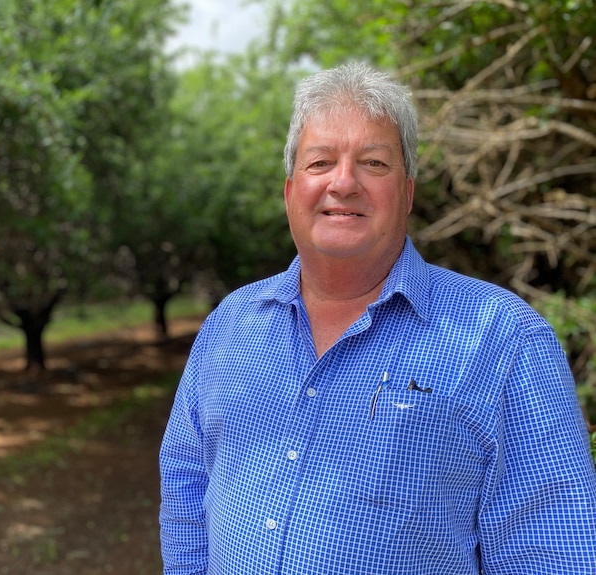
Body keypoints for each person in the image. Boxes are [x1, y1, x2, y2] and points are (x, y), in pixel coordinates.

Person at [158, 61, 596, 575]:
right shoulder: (228, 327)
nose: (343, 183)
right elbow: (186, 488)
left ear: (407, 194)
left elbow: (553, 552)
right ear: (289, 192)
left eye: (373, 163)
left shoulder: (506, 342)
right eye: (320, 163)